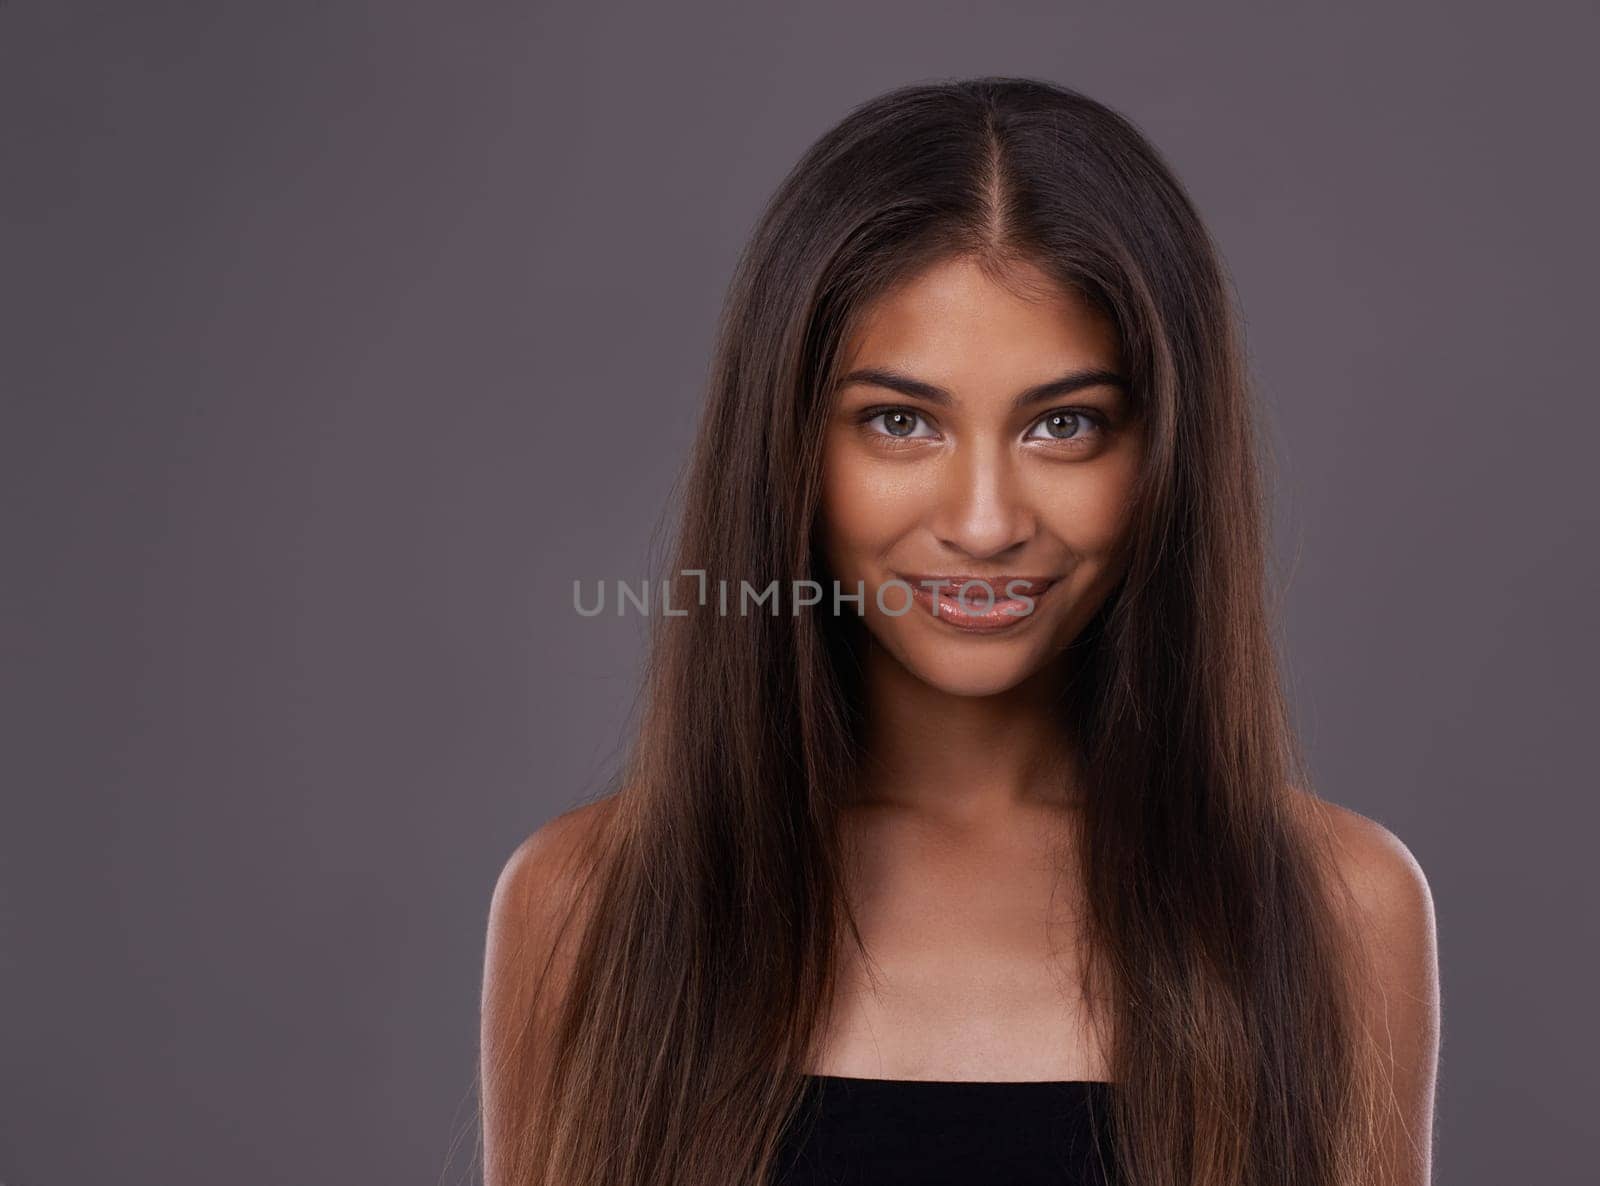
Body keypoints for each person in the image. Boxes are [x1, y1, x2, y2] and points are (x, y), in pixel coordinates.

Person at [479, 76, 1439, 1186]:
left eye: (1064, 424)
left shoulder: (1332, 910)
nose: (984, 523)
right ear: (788, 445)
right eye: (900, 421)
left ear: (1164, 455)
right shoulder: (590, 906)